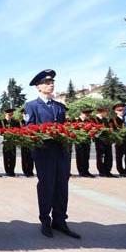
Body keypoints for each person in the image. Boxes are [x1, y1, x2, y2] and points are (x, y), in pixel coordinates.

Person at [24, 68, 80, 239]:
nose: (51, 85)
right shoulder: (31, 106)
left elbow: (65, 127)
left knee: (62, 187)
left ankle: (60, 221)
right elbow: (29, 128)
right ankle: (45, 221)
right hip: (44, 153)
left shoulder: (60, 106)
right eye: (47, 83)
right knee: (47, 187)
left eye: (52, 83)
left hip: (62, 153)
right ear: (38, 87)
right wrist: (45, 134)